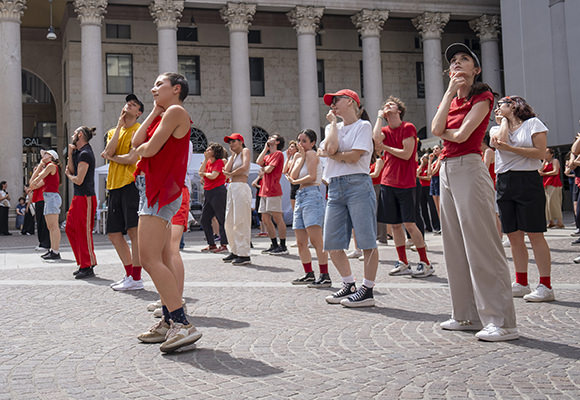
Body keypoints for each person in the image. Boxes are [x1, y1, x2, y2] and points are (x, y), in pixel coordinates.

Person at [431, 43, 517, 341]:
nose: (457, 63)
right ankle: (465, 314)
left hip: (469, 166)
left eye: (464, 59)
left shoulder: (483, 96)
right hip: (446, 168)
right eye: (453, 60)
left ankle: (501, 320)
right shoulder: (452, 100)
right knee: (454, 245)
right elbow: (435, 128)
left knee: (482, 245)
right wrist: (447, 93)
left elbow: (463, 134)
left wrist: (445, 132)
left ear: (476, 69)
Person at [132, 72, 202, 353]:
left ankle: (182, 324)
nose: (152, 88)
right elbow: (138, 141)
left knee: (149, 258)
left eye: (158, 84)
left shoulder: (176, 111)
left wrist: (144, 147)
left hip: (161, 192)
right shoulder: (165, 113)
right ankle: (168, 320)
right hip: (154, 190)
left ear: (176, 89)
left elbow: (146, 151)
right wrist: (152, 112)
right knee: (158, 257)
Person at [491, 95, 554, 302]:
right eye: (497, 106)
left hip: (527, 179)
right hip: (504, 181)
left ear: (514, 105)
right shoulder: (496, 128)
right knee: (513, 235)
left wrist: (510, 149)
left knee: (535, 233)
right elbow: (500, 141)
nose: (497, 108)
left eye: (502, 104)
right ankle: (521, 281)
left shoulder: (533, 124)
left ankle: (545, 285)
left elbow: (540, 154)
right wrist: (505, 121)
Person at [318, 89, 378, 307]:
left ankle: (368, 289)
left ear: (351, 102)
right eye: (331, 102)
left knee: (366, 240)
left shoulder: (363, 126)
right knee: (332, 242)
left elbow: (354, 157)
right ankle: (348, 284)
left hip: (357, 184)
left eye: (336, 100)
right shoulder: (331, 127)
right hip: (334, 186)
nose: (332, 105)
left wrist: (332, 155)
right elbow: (333, 147)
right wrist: (333, 124)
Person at [373, 96, 433, 278]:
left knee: (410, 224)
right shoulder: (384, 128)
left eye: (391, 105)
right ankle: (403, 262)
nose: (387, 106)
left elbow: (407, 154)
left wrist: (386, 147)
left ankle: (425, 262)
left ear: (399, 110)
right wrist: (378, 117)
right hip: (388, 182)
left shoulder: (408, 127)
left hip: (406, 182)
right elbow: (376, 141)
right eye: (385, 105)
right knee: (395, 225)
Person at [101, 94, 144, 291]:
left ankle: (136, 276)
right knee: (113, 233)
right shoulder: (113, 131)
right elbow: (108, 151)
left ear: (139, 113)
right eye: (128, 102)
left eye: (134, 104)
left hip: (130, 184)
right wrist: (118, 126)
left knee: (134, 232)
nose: (129, 105)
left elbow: (131, 159)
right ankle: (129, 274)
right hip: (113, 186)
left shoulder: (139, 130)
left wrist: (113, 157)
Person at [287, 129, 330, 287]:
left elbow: (311, 176)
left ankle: (324, 274)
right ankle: (309, 273)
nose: (301, 144)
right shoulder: (301, 155)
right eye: (300, 140)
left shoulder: (312, 154)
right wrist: (301, 156)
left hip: (312, 195)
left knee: (316, 239)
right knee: (300, 241)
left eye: (304, 141)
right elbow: (293, 174)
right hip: (301, 195)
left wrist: (296, 179)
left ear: (312, 142)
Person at [65, 127, 97, 279]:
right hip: (78, 197)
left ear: (80, 135)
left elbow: (78, 179)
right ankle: (82, 263)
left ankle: (88, 265)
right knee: (71, 228)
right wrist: (70, 154)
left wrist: (69, 177)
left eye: (74, 133)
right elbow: (71, 169)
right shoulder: (78, 152)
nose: (72, 135)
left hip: (86, 197)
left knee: (84, 232)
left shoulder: (86, 153)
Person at [222, 133, 252, 265]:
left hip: (241, 186)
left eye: (234, 141)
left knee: (241, 221)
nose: (231, 144)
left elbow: (245, 167)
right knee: (229, 221)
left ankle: (244, 253)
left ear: (241, 142)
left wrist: (231, 174)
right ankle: (234, 250)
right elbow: (225, 171)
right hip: (232, 187)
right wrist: (233, 155)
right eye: (230, 142)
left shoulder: (245, 151)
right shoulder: (233, 156)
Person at [256, 133, 288, 255]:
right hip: (264, 190)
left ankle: (283, 245)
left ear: (278, 142)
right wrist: (265, 148)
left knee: (277, 217)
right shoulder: (269, 155)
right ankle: (274, 244)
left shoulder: (278, 154)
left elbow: (269, 169)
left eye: (272, 138)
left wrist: (263, 169)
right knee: (265, 218)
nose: (269, 139)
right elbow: (259, 162)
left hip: (273, 189)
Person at [30, 150, 62, 261]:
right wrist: (39, 167)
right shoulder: (49, 167)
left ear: (52, 157)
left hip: (52, 197)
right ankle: (53, 250)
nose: (44, 155)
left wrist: (39, 169)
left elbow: (37, 179)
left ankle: (55, 251)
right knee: (50, 227)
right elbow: (33, 183)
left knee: (53, 226)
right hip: (49, 197)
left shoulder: (51, 166)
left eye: (47, 154)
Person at [199, 142, 229, 253]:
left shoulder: (219, 162)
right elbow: (200, 172)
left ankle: (224, 244)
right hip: (208, 192)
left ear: (214, 152)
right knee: (205, 219)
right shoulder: (208, 163)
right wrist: (206, 160)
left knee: (221, 218)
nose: (206, 150)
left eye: (209, 149)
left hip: (218, 191)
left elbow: (213, 176)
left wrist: (205, 174)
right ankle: (211, 244)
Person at [539, 148, 564, 229]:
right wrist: (544, 162)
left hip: (554, 183)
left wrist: (544, 174)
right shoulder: (545, 162)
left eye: (546, 153)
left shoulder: (555, 161)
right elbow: (539, 171)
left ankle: (560, 222)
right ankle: (551, 221)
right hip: (546, 184)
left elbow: (555, 171)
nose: (545, 154)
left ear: (551, 154)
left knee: (554, 202)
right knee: (547, 203)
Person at [417, 154, 440, 234]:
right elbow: (416, 173)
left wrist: (419, 177)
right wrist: (421, 164)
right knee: (423, 208)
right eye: (422, 157)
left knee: (432, 207)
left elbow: (429, 177)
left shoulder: (430, 166)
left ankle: (436, 226)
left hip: (428, 187)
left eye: (425, 158)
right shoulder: (421, 166)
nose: (424, 159)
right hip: (421, 188)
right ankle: (428, 226)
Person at [370, 147, 388, 244]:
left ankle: (382, 237)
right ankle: (377, 235)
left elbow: (376, 174)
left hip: (377, 186)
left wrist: (363, 175)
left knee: (378, 211)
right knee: (373, 212)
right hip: (370, 186)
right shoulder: (370, 162)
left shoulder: (379, 161)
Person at [427, 144, 442, 230]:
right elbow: (429, 173)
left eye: (437, 148)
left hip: (439, 180)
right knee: (436, 206)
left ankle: (443, 226)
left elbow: (434, 170)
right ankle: (441, 226)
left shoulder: (441, 158)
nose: (435, 150)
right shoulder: (433, 161)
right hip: (433, 181)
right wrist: (429, 161)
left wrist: (431, 171)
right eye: (433, 149)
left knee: (440, 205)